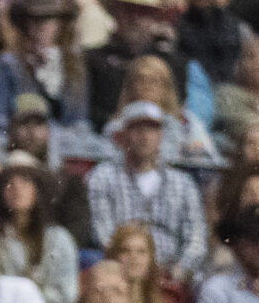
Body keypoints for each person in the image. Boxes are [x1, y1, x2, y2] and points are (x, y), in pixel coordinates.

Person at [87, 100, 207, 279]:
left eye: (152, 129)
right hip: (122, 268)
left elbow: (196, 240)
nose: (145, 135)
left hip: (172, 271)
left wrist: (179, 271)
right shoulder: (103, 176)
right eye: (137, 128)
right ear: (123, 135)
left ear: (160, 135)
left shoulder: (182, 182)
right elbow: (103, 234)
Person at [0, 151, 79, 303]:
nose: (16, 187)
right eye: (8, 182)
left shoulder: (59, 239)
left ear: (38, 189)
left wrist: (26, 298)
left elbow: (66, 297)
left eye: (25, 180)